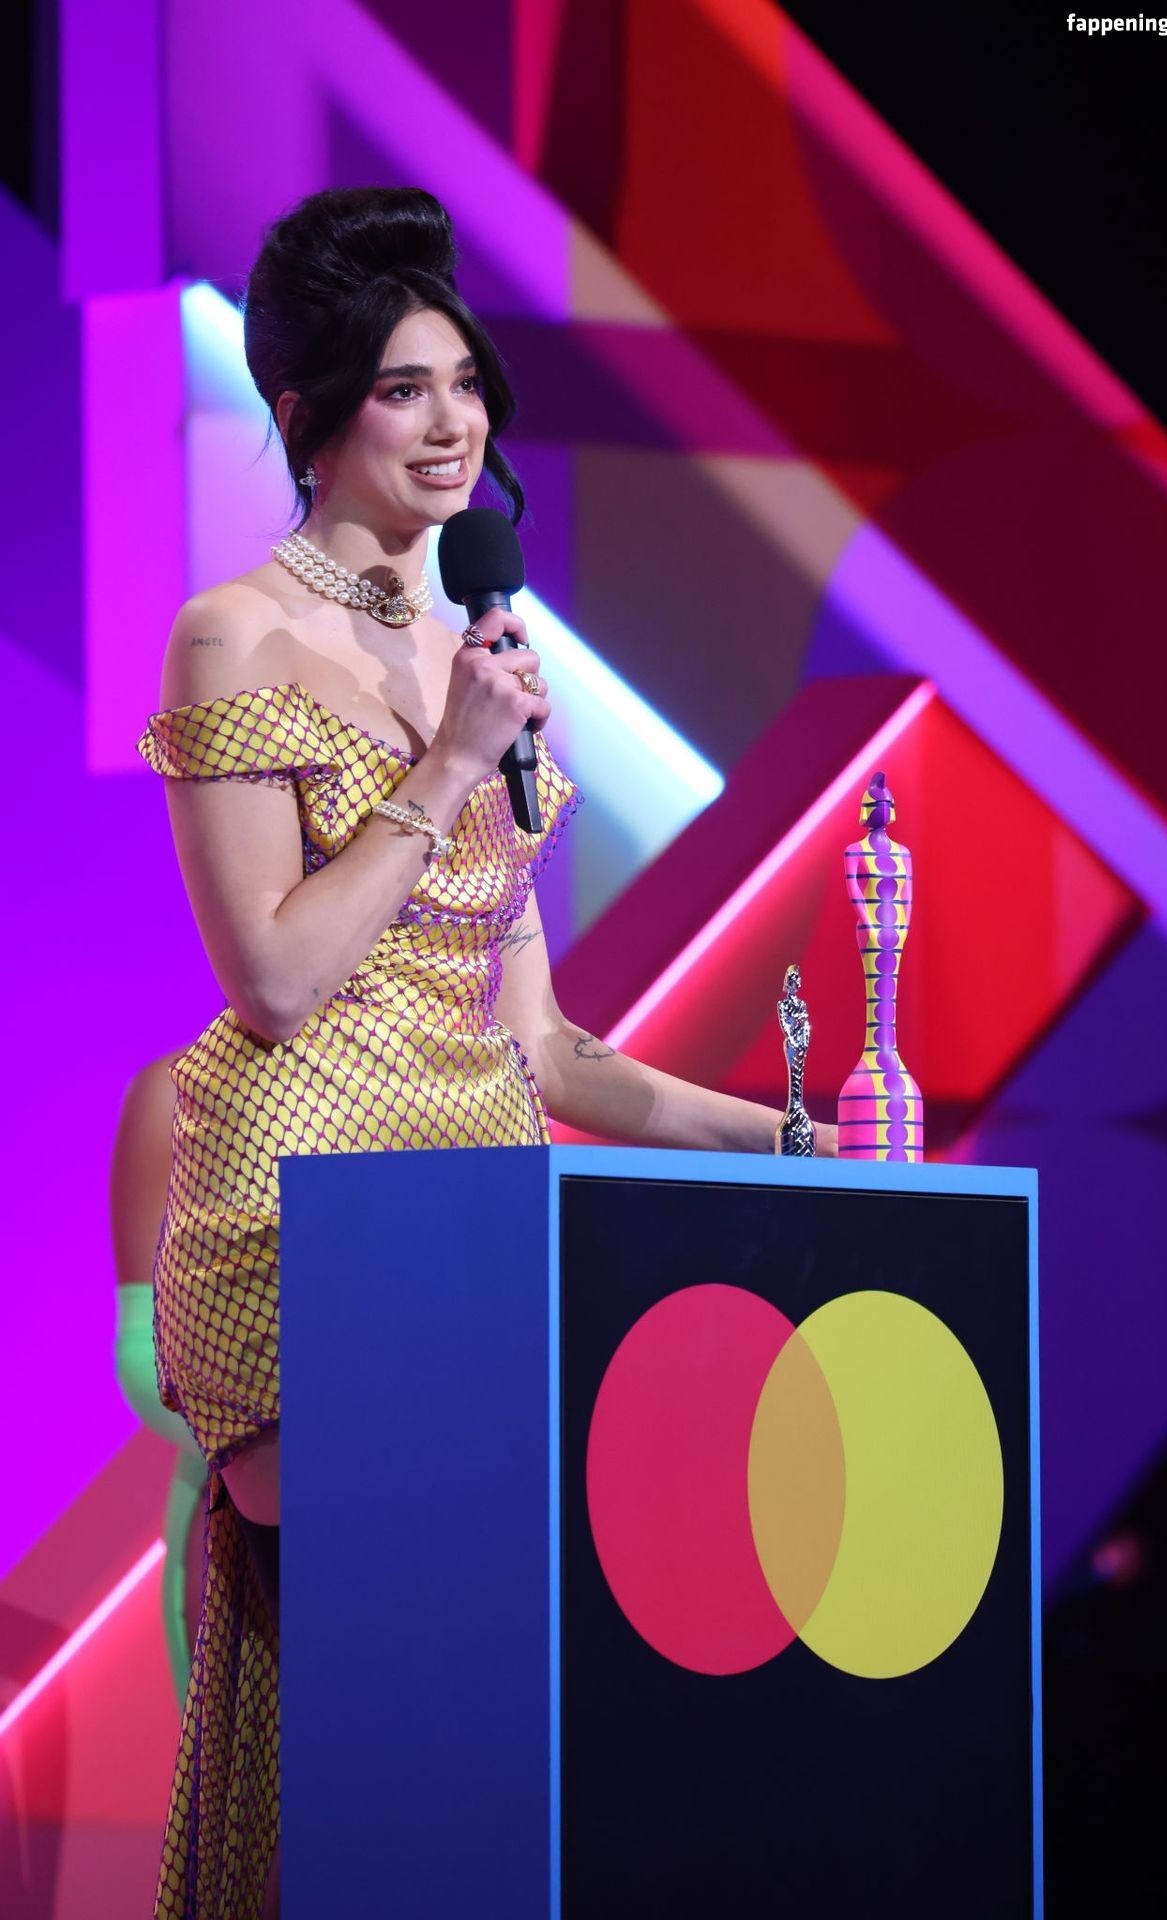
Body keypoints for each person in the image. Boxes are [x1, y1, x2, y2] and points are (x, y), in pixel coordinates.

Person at [137, 184, 837, 1920]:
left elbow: (547, 1046)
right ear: (305, 412)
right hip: (304, 1216)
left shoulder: (484, 657)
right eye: (402, 389)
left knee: (498, 1683)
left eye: (464, 383)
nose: (452, 424)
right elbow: (277, 979)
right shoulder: (235, 634)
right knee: (377, 1667)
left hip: (475, 1208)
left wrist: (793, 1140)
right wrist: (447, 767)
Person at [109, 1053, 207, 1710]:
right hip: (244, 1511)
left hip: (431, 1510)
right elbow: (144, 1355)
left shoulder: (462, 1084)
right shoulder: (178, 1094)